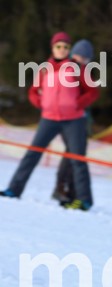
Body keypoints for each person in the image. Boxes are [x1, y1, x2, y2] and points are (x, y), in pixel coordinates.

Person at [1, 32, 99, 210]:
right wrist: (40, 103)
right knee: (32, 154)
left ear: (69, 50)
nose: (62, 50)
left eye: (65, 47)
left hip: (73, 120)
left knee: (77, 159)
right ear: (53, 48)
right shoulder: (45, 68)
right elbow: (33, 90)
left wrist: (78, 104)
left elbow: (92, 91)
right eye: (58, 46)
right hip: (49, 119)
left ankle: (85, 200)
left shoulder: (77, 68)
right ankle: (14, 189)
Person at [52, 39, 95, 206]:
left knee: (73, 155)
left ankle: (69, 192)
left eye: (86, 59)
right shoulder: (68, 69)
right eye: (80, 57)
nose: (83, 61)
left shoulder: (84, 71)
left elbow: (88, 94)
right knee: (74, 155)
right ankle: (65, 189)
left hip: (80, 119)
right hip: (69, 119)